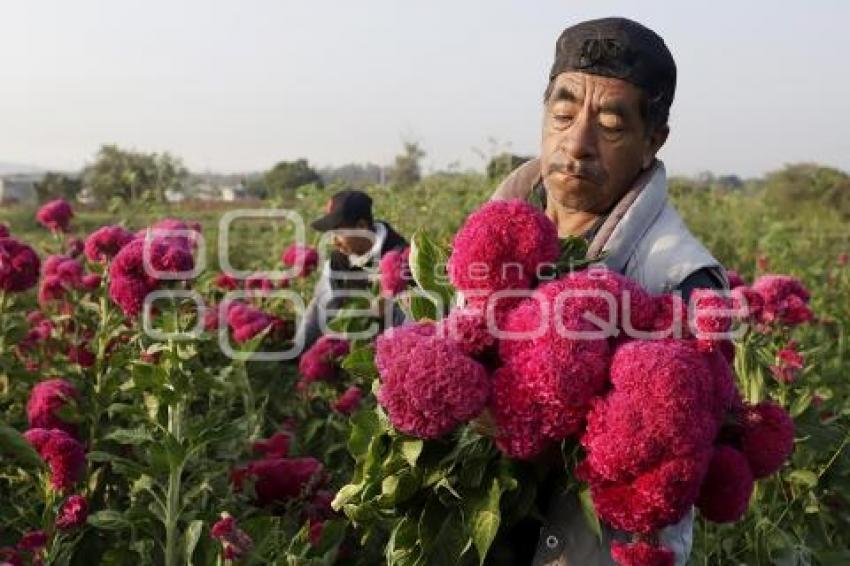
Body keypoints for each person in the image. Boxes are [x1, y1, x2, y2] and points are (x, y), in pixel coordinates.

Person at [490, 17, 727, 566]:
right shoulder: (492, 233)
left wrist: (505, 412)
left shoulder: (681, 281)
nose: (577, 145)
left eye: (612, 125)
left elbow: (670, 459)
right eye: (564, 115)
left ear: (652, 142)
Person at [295, 189, 408, 350]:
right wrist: (297, 352)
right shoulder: (337, 262)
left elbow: (413, 320)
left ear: (361, 226)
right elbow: (320, 309)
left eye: (339, 233)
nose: (334, 241)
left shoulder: (401, 258)